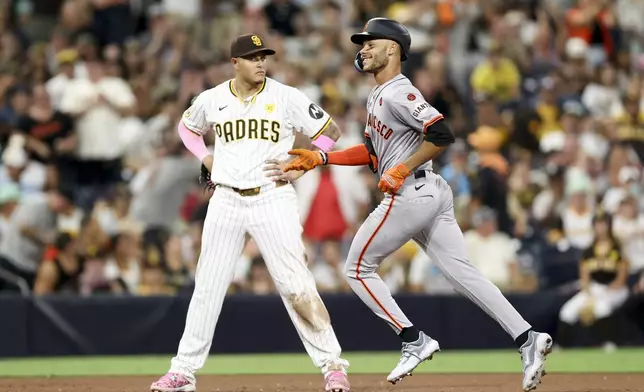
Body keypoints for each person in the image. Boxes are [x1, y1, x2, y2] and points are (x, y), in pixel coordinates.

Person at [284, 17, 552, 392]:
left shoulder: (398, 92)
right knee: (463, 274)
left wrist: (402, 168)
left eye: (371, 43)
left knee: (357, 268)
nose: (363, 49)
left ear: (392, 49)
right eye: (362, 44)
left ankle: (413, 339)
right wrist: (323, 158)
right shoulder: (378, 94)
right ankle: (528, 339)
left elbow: (443, 134)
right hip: (428, 191)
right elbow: (374, 153)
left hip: (410, 192)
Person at [150, 34, 350, 392]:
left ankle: (332, 365)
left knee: (295, 284)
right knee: (207, 287)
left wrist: (303, 164)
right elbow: (186, 127)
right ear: (235, 62)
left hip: (272, 198)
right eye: (252, 57)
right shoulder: (212, 99)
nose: (261, 62)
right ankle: (183, 371)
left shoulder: (285, 96)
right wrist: (206, 157)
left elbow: (330, 132)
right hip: (225, 199)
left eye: (264, 56)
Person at [557, 213, 629, 350]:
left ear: (609, 226)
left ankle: (609, 343)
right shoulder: (588, 250)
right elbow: (584, 277)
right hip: (593, 288)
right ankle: (561, 346)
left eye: (603, 224)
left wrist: (604, 293)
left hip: (614, 288)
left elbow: (622, 277)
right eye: (597, 224)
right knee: (567, 311)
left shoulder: (618, 248)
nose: (600, 227)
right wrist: (589, 294)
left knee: (602, 309)